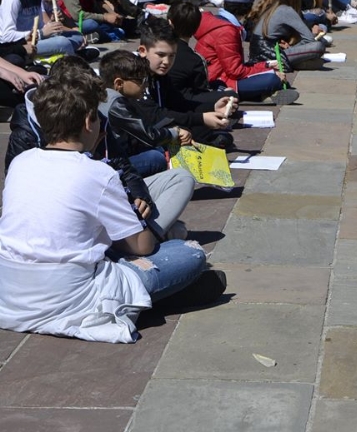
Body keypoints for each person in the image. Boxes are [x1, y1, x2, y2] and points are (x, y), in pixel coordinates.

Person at [0, 65, 226, 344]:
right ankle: (156, 298)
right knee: (188, 253)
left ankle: (159, 293)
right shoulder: (97, 172)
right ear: (87, 122)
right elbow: (142, 246)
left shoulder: (22, 162)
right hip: (71, 296)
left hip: (10, 295)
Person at [137, 19, 238, 150]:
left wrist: (213, 107)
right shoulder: (135, 77)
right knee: (157, 157)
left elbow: (179, 103)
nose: (166, 62)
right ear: (142, 51)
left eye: (172, 56)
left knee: (204, 128)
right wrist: (201, 118)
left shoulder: (159, 74)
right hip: (143, 134)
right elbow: (156, 115)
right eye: (161, 55)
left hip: (161, 124)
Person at [194, 0, 298, 105]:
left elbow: (233, 66)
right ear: (248, 8)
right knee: (273, 79)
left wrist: (266, 65)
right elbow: (235, 71)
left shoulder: (220, 22)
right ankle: (255, 96)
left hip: (217, 75)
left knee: (276, 78)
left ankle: (262, 96)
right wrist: (269, 71)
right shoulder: (227, 31)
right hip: (216, 81)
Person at [248, 0, 327, 72]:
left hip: (259, 50)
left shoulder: (275, 5)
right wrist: (292, 48)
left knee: (317, 62)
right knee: (318, 46)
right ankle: (278, 63)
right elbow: (309, 40)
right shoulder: (286, 10)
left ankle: (287, 62)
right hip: (267, 52)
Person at [166, 0, 236, 105]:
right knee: (231, 95)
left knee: (219, 84)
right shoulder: (195, 59)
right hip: (184, 99)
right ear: (197, 26)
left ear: (170, 22)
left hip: (169, 93)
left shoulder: (159, 46)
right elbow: (201, 90)